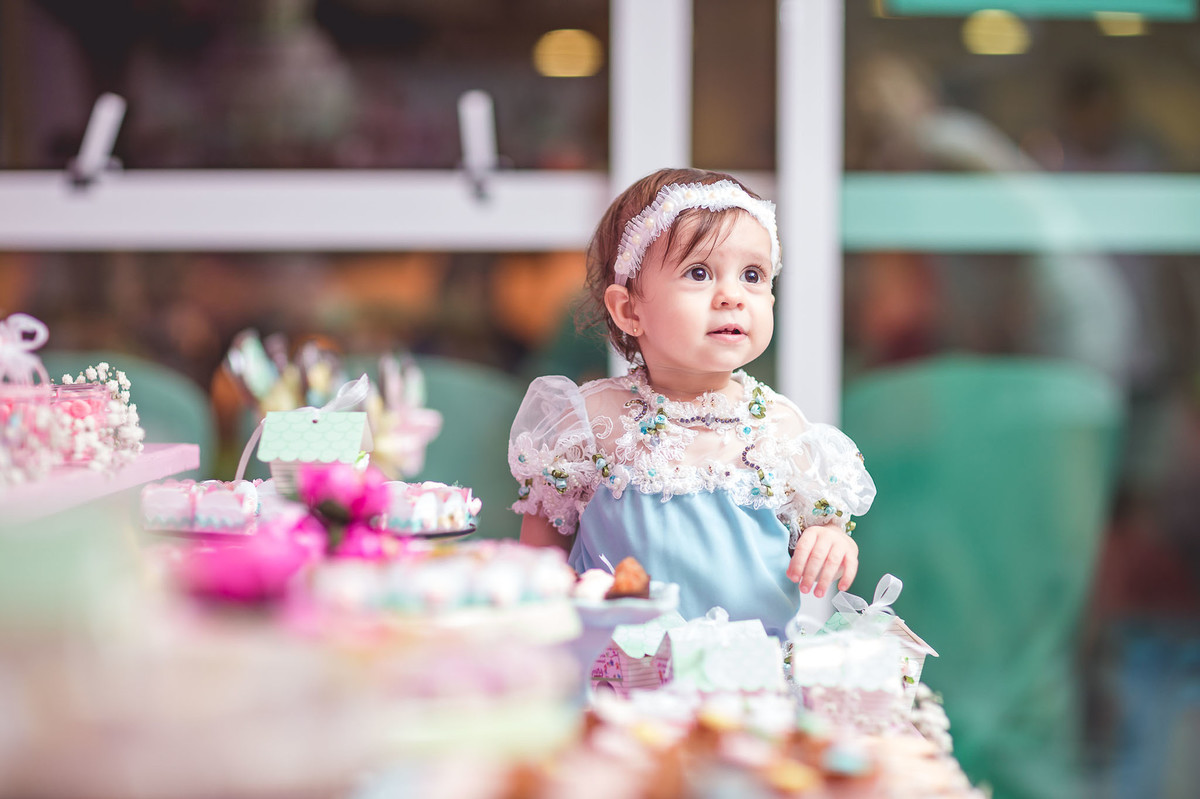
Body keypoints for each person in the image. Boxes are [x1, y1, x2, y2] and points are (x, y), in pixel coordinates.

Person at [508, 168, 876, 635]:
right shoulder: (594, 423)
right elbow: (540, 556)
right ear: (629, 310)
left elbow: (823, 525)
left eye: (753, 275)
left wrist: (829, 540)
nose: (732, 296)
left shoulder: (782, 430)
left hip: (746, 686)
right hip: (622, 682)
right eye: (699, 273)